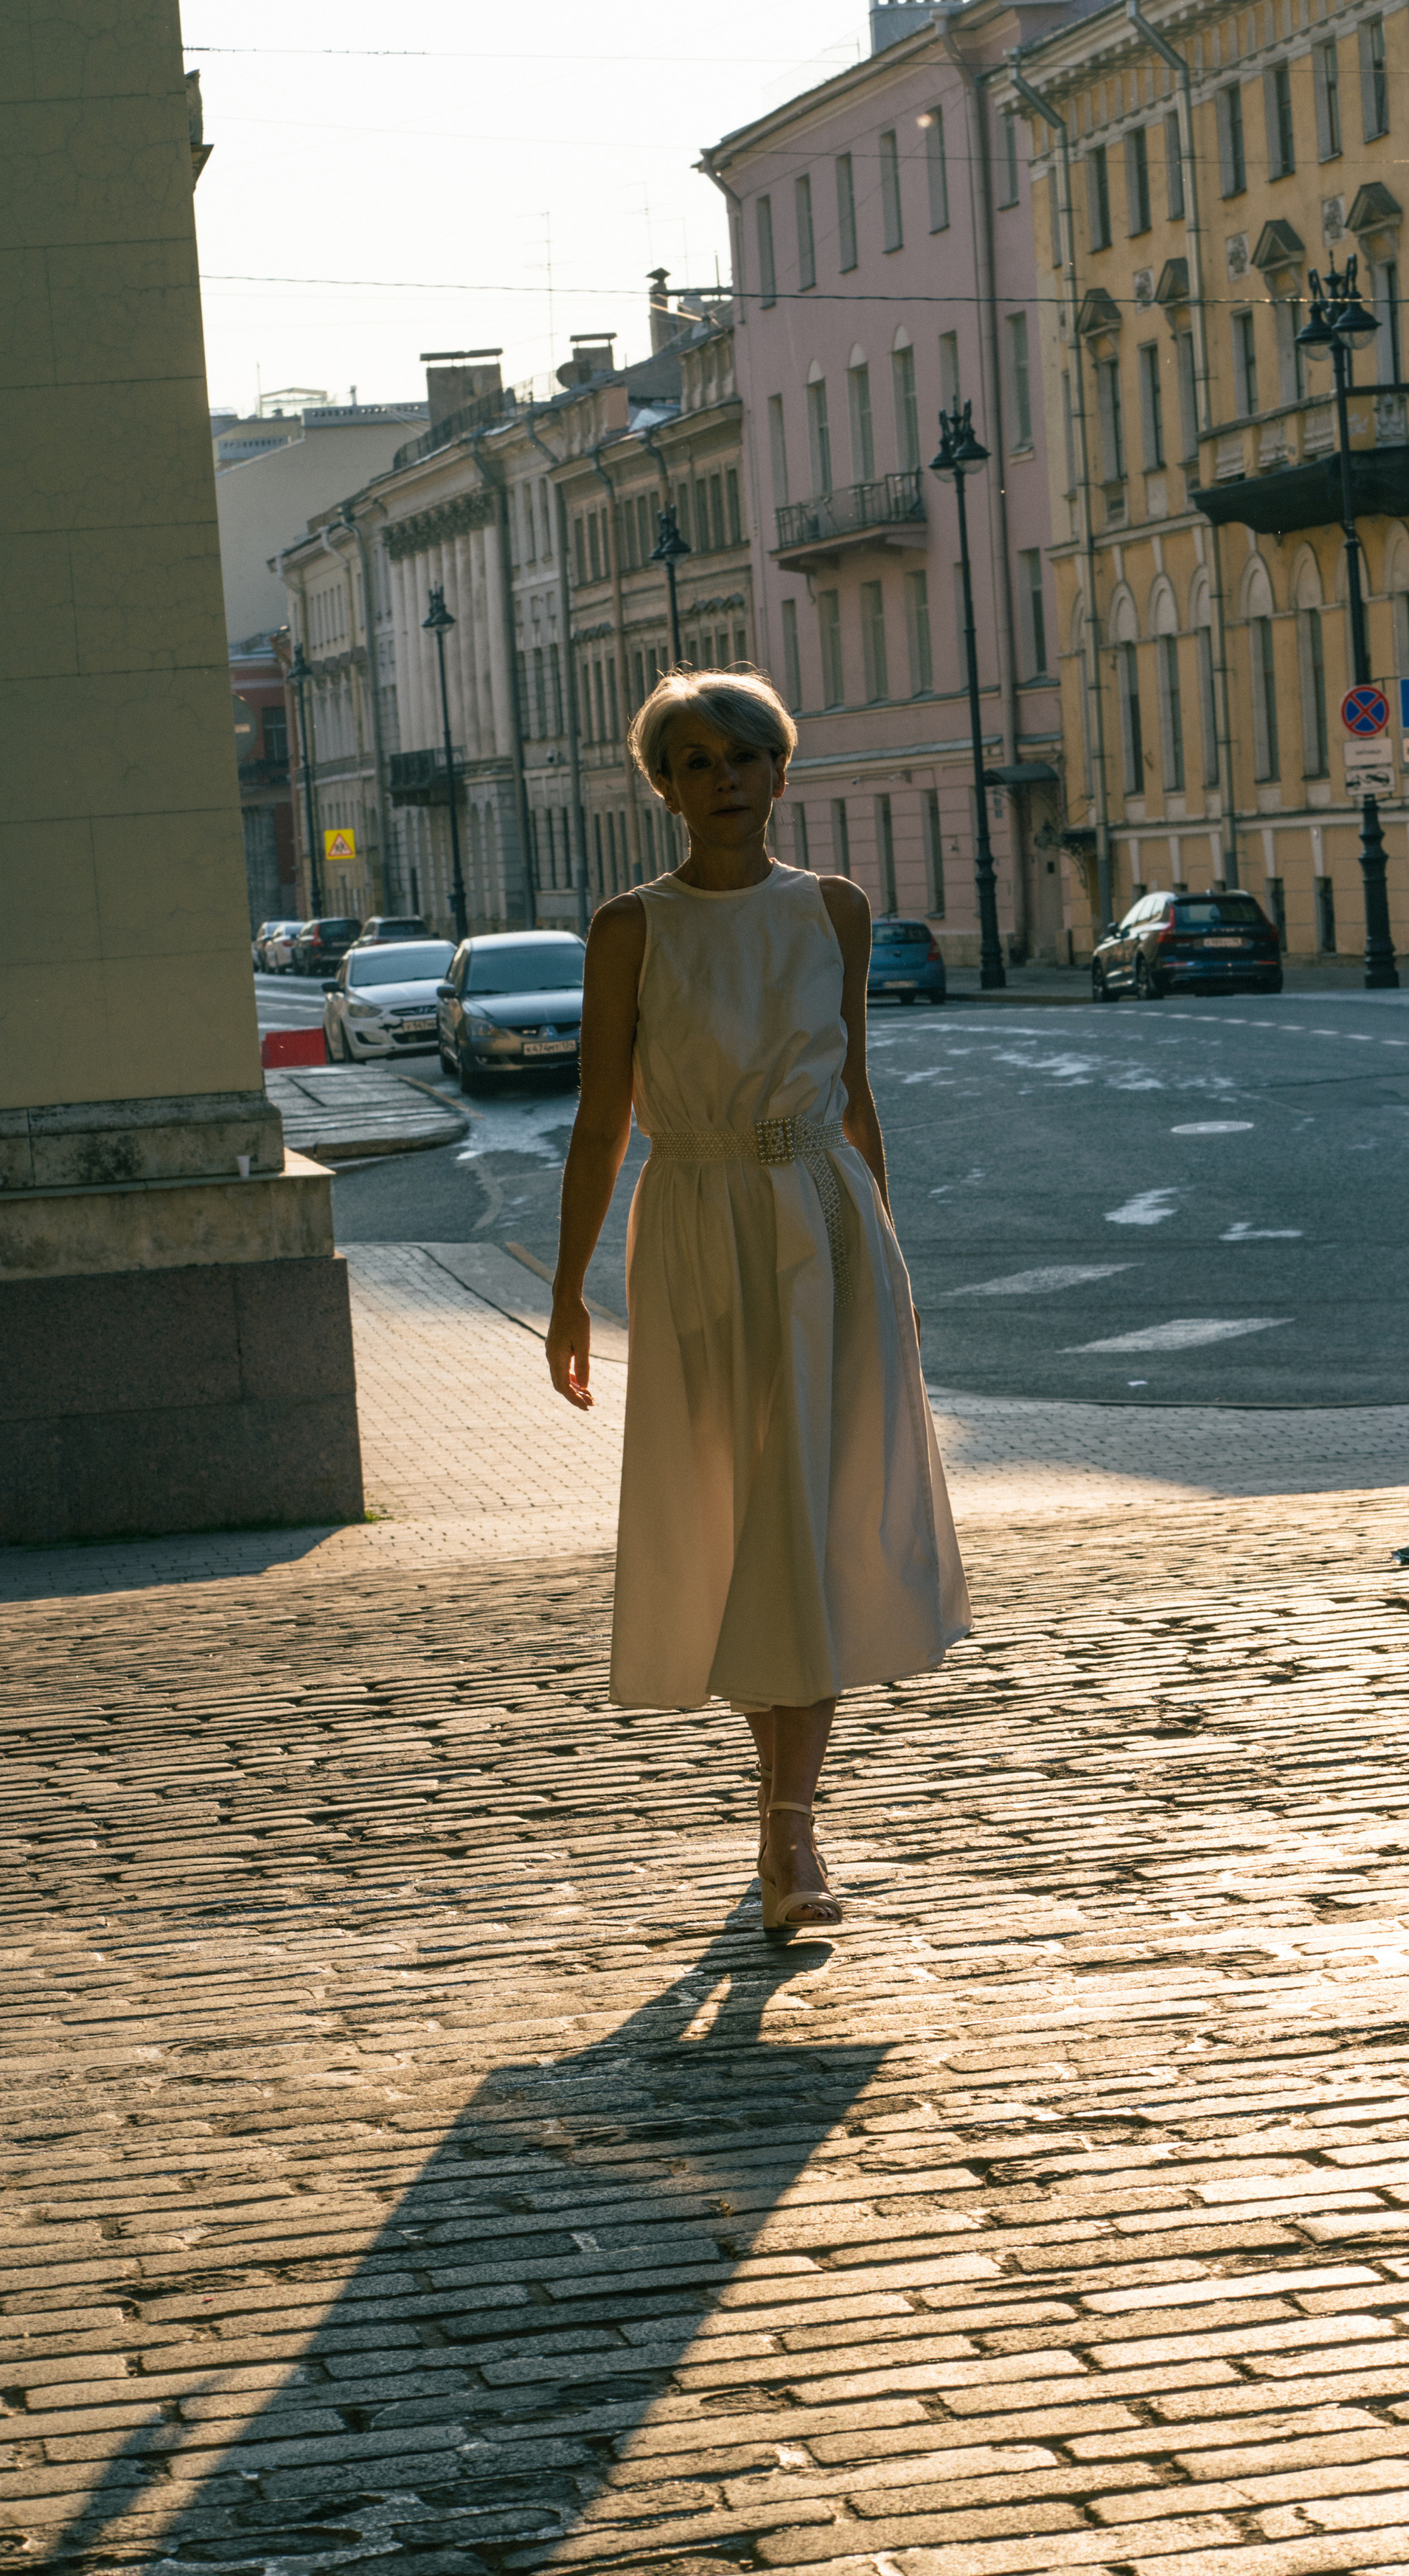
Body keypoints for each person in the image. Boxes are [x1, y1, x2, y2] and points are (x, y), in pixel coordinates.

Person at [546, 669, 970, 1938]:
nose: (721, 781)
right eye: (692, 762)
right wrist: (566, 1295)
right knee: (744, 1518)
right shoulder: (633, 927)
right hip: (700, 1228)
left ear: (782, 772)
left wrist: (885, 1254)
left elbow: (855, 1091)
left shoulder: (836, 910)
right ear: (663, 788)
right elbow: (599, 1119)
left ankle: (793, 1829)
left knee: (820, 1516)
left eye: (742, 757)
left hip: (829, 1230)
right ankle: (783, 1818)